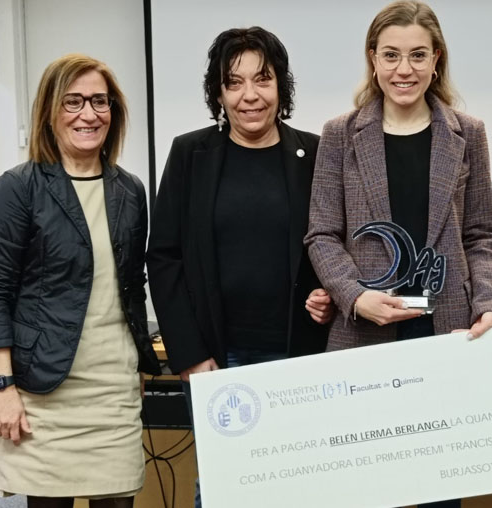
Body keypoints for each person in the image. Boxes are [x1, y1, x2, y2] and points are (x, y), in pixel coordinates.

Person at [304, 2, 492, 506]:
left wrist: (490, 305)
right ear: (372, 59)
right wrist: (355, 297)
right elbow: (322, 235)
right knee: (365, 492)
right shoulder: (340, 134)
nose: (404, 69)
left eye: (418, 55)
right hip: (364, 335)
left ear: (437, 59)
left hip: (446, 335)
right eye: (391, 55)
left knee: (441, 494)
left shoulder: (468, 132)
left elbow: (481, 234)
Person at [146, 27, 331, 507]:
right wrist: (188, 353)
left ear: (281, 87)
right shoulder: (192, 154)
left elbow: (333, 244)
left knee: (296, 487)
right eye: (234, 82)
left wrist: (331, 292)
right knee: (224, 488)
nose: (250, 95)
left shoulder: (314, 153)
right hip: (215, 358)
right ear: (219, 93)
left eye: (263, 80)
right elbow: (164, 257)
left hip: (296, 355)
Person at [0, 54, 160, 508]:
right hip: (42, 388)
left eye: (100, 101)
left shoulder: (129, 190)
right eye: (73, 101)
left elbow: (132, 285)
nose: (88, 114)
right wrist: (1, 387)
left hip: (112, 386)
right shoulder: (19, 187)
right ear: (50, 110)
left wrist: (138, 362)